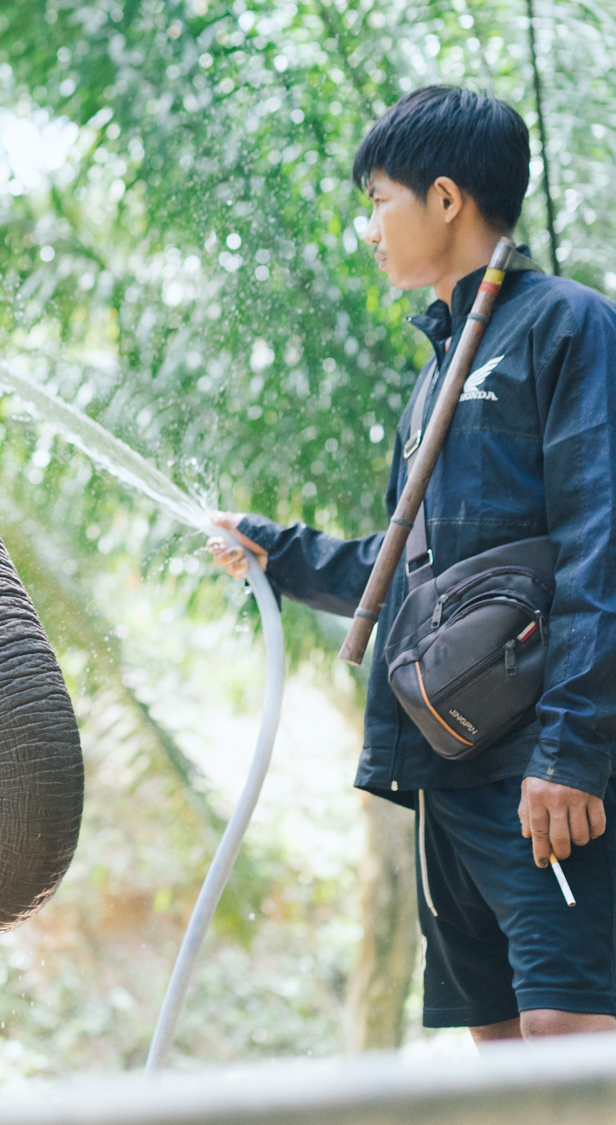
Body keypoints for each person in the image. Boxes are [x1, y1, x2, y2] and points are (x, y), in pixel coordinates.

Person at [207, 86, 616, 1043]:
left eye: (379, 200)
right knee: (500, 1064)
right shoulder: (435, 371)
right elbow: (409, 570)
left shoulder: (569, 328)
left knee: (572, 1053)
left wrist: (571, 751)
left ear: (444, 199)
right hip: (446, 777)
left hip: (540, 778)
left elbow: (604, 543)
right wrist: (278, 550)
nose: (369, 228)